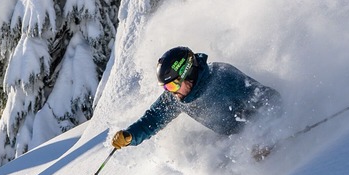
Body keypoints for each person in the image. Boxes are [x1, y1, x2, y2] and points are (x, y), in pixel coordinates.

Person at [111, 46, 281, 150]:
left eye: (172, 85)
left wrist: (264, 138)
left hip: (265, 138)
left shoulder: (223, 77)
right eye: (166, 88)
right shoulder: (176, 99)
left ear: (188, 74)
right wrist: (130, 136)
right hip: (236, 142)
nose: (170, 92)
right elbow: (153, 119)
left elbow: (270, 99)